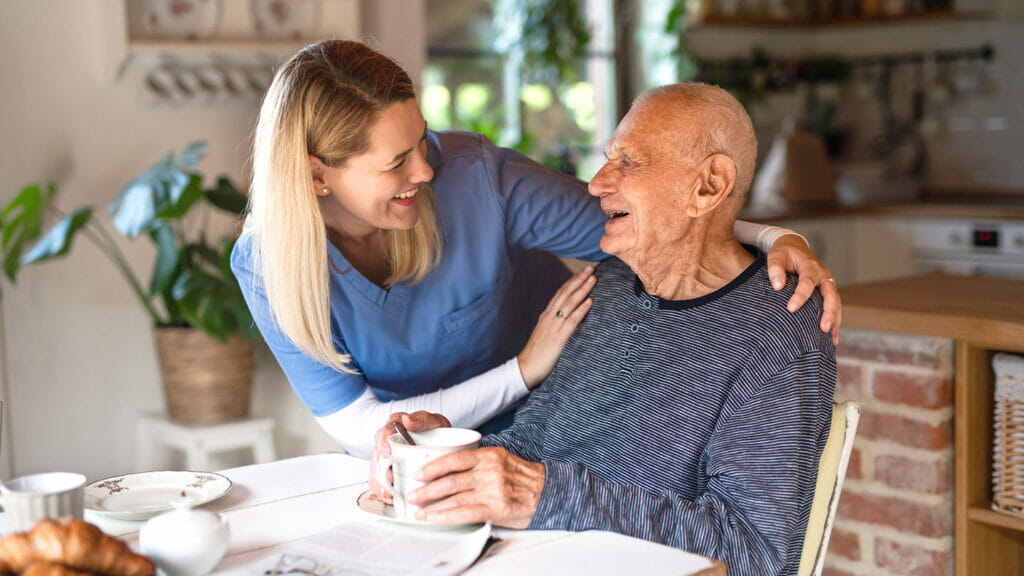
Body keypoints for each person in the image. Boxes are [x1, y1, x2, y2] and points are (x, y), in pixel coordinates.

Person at [231, 39, 842, 458]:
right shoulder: (268, 265)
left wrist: (775, 237)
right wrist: (522, 369)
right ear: (317, 175)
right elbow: (364, 430)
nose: (425, 167)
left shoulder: (476, 180)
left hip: (560, 435)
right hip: (425, 457)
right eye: (397, 162)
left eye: (423, 139)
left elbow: (650, 221)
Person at [375, 83, 836, 576]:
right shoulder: (607, 286)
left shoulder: (777, 330)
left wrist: (547, 496)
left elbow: (755, 552)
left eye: (629, 163)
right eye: (606, 159)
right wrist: (449, 452)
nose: (596, 183)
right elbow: (533, 446)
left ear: (708, 186)